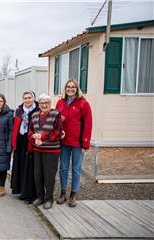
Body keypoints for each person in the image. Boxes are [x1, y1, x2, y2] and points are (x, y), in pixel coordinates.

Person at [56, 78, 92, 207]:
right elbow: (55, 121)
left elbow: (88, 124)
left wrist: (85, 143)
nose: (70, 89)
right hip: (64, 141)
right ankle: (63, 192)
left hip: (77, 142)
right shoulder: (60, 102)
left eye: (73, 87)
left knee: (76, 169)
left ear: (77, 89)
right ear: (65, 89)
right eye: (68, 86)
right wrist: (60, 119)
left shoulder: (83, 103)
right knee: (63, 168)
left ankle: (73, 194)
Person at [29, 94, 62, 209]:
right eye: (41, 103)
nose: (44, 105)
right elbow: (30, 131)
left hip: (52, 151)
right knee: (38, 175)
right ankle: (40, 197)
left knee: (49, 176)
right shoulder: (34, 116)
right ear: (39, 104)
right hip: (38, 150)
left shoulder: (56, 114)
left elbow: (57, 133)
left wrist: (41, 137)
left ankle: (49, 199)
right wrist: (34, 138)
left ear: (50, 104)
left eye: (46, 103)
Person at [10, 91, 38, 204]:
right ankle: (21, 191)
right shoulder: (19, 110)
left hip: (31, 140)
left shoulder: (37, 110)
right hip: (20, 140)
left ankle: (29, 194)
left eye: (30, 98)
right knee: (20, 165)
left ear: (33, 98)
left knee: (29, 167)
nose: (27, 100)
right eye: (25, 98)